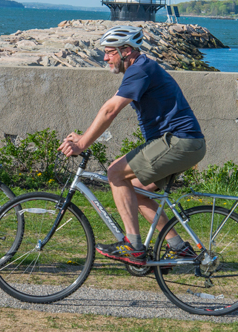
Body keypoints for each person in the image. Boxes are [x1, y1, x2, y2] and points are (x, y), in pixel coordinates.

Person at [58, 25, 206, 266]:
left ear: (126, 50)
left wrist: (83, 143)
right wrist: (83, 136)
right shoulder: (140, 69)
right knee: (136, 191)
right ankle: (180, 248)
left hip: (179, 141)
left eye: (109, 52)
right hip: (185, 143)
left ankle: (134, 247)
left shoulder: (140, 70)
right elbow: (111, 104)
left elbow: (110, 111)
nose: (105, 57)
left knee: (115, 173)